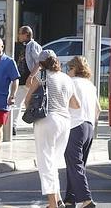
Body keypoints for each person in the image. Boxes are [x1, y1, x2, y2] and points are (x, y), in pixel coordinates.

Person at [25, 50, 79, 208]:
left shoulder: (41, 78)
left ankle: (52, 204)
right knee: (53, 162)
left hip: (47, 121)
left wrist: (31, 111)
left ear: (41, 64)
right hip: (64, 122)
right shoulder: (67, 79)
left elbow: (27, 100)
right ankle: (58, 200)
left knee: (45, 163)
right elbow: (76, 104)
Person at [63, 56, 100, 208]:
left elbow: (64, 105)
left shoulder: (71, 83)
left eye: (69, 69)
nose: (67, 72)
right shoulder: (90, 86)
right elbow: (98, 109)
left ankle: (86, 199)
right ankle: (70, 199)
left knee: (74, 163)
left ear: (74, 69)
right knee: (79, 164)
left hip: (75, 126)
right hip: (89, 126)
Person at [13, 26, 42, 136]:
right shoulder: (21, 46)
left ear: (26, 34)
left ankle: (14, 125)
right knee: (19, 102)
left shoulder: (33, 46)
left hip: (28, 79)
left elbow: (39, 62)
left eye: (20, 33)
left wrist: (31, 76)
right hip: (21, 79)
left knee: (25, 102)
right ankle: (13, 125)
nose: (18, 36)